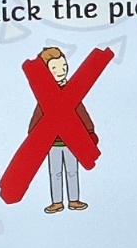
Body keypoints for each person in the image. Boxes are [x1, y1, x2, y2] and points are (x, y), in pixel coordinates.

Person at [31, 46, 95, 214]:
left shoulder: (71, 91)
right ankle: (57, 202)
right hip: (53, 143)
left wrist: (89, 131)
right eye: (55, 68)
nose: (61, 71)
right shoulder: (45, 96)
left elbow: (81, 112)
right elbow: (38, 116)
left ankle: (74, 200)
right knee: (55, 172)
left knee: (72, 171)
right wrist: (34, 137)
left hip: (71, 141)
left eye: (63, 66)